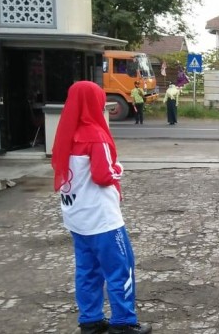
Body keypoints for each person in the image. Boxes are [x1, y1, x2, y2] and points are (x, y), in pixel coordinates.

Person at [51, 81, 152, 334]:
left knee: (87, 271)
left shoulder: (66, 133)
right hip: (102, 219)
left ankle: (91, 321)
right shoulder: (94, 135)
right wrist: (120, 169)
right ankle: (123, 323)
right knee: (121, 268)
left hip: (77, 217)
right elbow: (104, 174)